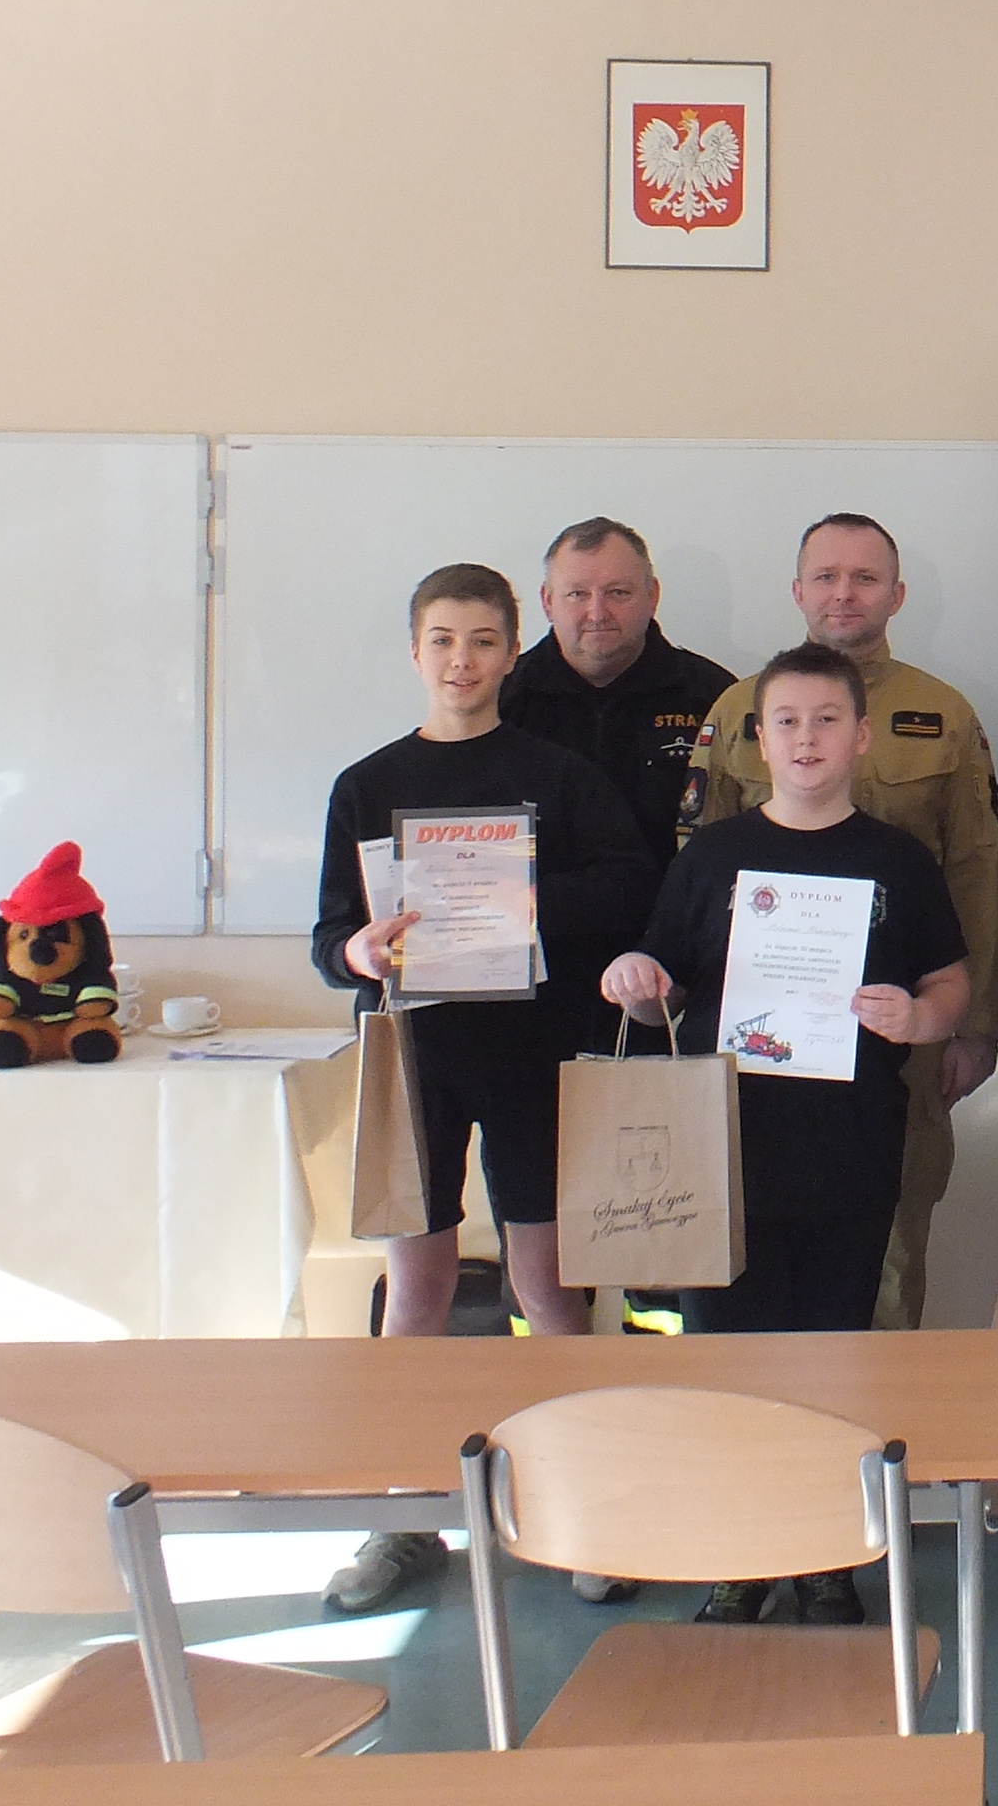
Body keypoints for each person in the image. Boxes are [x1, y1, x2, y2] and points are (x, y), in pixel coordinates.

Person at [309, 563, 657, 1613]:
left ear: (513, 652)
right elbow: (330, 938)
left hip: (532, 1055)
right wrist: (359, 953)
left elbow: (628, 883)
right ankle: (405, 1518)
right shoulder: (367, 783)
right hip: (413, 1057)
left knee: (546, 1291)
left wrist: (519, 898)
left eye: (482, 641)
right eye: (442, 641)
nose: (461, 661)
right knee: (414, 1296)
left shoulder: (556, 774)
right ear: (415, 653)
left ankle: (583, 1510)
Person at [603, 641, 972, 1626]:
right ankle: (744, 1554)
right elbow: (661, 986)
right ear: (757, 741)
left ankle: (825, 1556)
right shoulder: (712, 856)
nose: (806, 739)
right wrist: (633, 979)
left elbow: (949, 983)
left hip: (850, 1150)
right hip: (725, 1157)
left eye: (826, 720)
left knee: (834, 1357)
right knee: (730, 1362)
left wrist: (920, 1019)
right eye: (787, 722)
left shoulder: (897, 861)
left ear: (861, 736)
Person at [677, 514, 998, 1334]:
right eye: (826, 576)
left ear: (897, 594)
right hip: (752, 1056)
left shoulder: (945, 713)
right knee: (737, 1263)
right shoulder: (739, 707)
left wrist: (974, 1025)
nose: (844, 594)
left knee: (885, 1247)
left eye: (865, 578)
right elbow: (696, 864)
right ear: (798, 591)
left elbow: (976, 872)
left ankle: (874, 1414)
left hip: (890, 1044)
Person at [497, 517, 738, 867]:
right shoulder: (502, 698)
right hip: (542, 903)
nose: (597, 613)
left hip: (674, 903)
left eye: (618, 593)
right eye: (577, 594)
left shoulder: (715, 697)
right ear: (547, 602)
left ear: (652, 596)